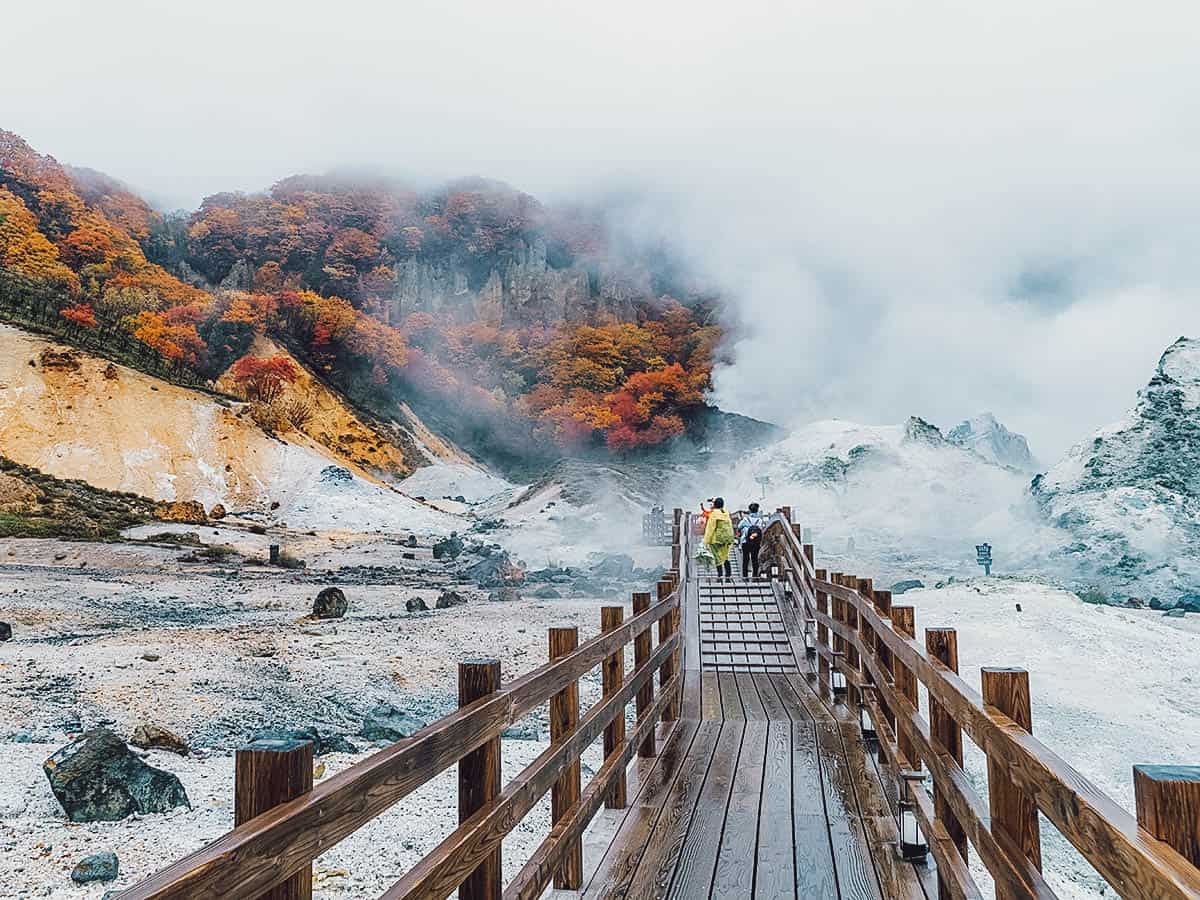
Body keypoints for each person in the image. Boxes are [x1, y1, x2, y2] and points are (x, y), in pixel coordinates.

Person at [703, 497, 736, 580]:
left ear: (714, 505)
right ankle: (728, 574)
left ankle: (720, 574)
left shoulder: (714, 514)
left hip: (716, 539)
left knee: (717, 557)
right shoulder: (726, 513)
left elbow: (710, 528)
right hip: (727, 539)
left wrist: (706, 541)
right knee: (725, 556)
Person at [737, 502, 767, 579]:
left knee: (745, 559)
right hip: (756, 542)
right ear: (757, 510)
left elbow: (739, 526)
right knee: (754, 558)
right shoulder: (759, 520)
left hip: (745, 541)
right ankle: (755, 576)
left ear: (749, 510)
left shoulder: (745, 519)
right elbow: (762, 529)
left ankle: (745, 576)